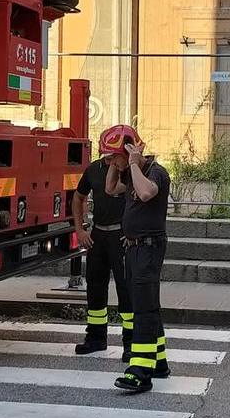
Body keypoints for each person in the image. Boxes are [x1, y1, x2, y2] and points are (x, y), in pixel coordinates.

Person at [105, 128, 172, 393]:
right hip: (133, 247)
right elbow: (110, 189)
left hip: (149, 248)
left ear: (130, 152)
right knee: (145, 304)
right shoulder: (128, 174)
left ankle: (140, 371)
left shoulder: (156, 172)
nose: (112, 163)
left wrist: (133, 163)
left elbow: (146, 194)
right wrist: (117, 164)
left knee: (143, 310)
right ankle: (160, 362)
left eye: (114, 158)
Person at [73, 125, 136, 358]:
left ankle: (130, 343)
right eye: (108, 155)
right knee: (95, 287)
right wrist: (80, 230)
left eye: (115, 156)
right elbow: (78, 198)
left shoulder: (129, 172)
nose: (112, 160)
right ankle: (96, 337)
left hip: (121, 236)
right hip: (98, 236)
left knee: (125, 288)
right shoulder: (94, 170)